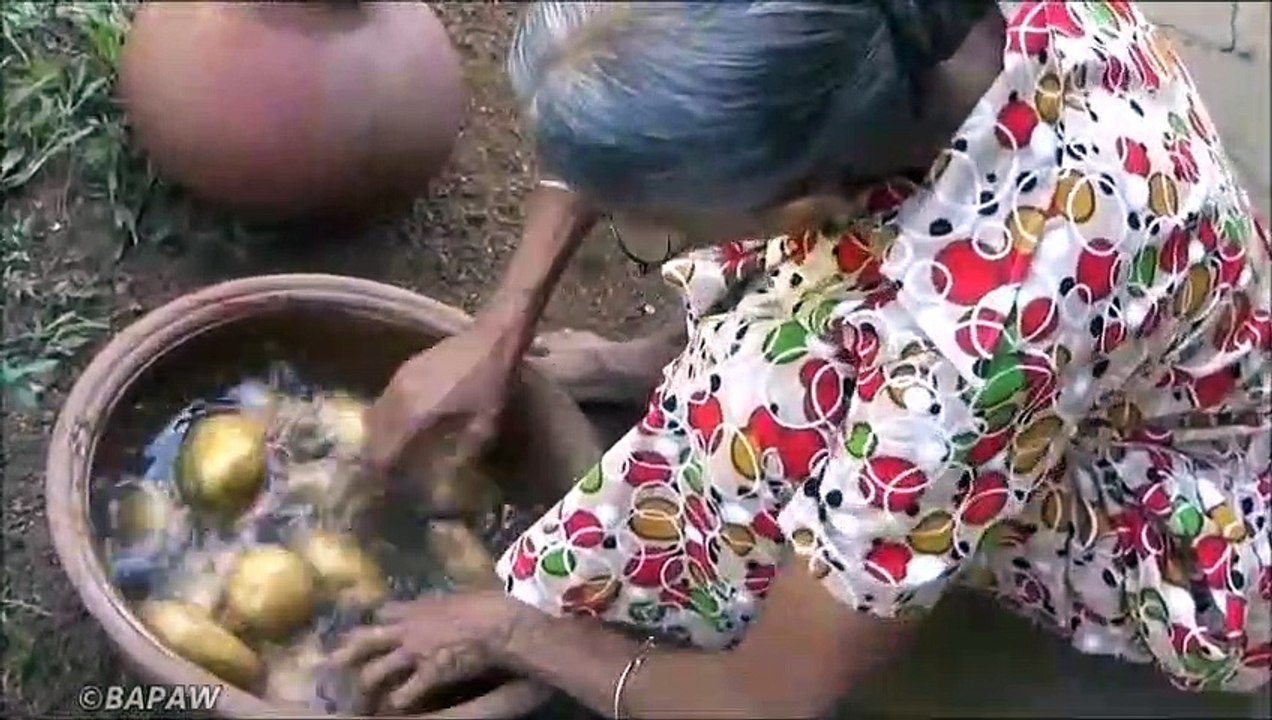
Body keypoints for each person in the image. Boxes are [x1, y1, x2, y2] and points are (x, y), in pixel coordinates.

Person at [333, 1, 1272, 716]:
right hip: (1139, 318)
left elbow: (767, 697)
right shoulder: (872, 32)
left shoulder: (954, 366)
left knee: (744, 439)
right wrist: (501, 325)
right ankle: (659, 361)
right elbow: (639, 56)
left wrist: (512, 626)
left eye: (644, 221)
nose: (620, 219)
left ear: (796, 220)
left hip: (1188, 502)